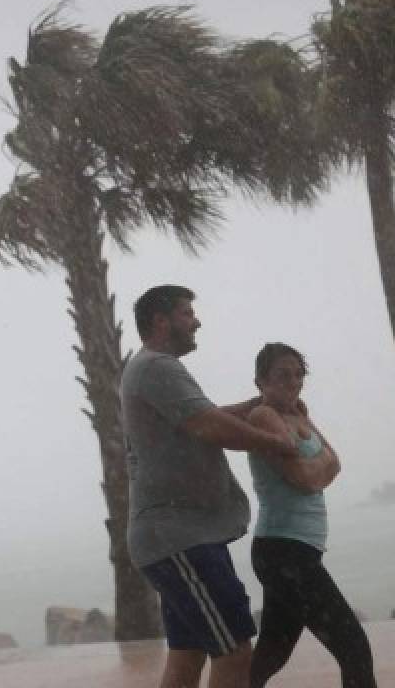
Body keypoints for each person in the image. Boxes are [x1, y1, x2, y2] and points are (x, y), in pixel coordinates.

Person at [121, 285, 297, 688]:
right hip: (180, 539)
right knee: (236, 654)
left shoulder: (149, 368)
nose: (196, 321)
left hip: (174, 539)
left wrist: (260, 404)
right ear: (161, 321)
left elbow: (206, 415)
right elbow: (210, 426)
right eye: (187, 314)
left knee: (188, 656)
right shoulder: (156, 366)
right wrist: (279, 444)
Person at [245, 342, 376, 688]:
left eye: (298, 375)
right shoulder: (263, 416)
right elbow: (304, 478)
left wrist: (314, 468)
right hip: (283, 550)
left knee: (272, 654)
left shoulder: (298, 416)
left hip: (297, 551)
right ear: (261, 381)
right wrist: (317, 470)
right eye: (281, 375)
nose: (292, 383)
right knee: (354, 649)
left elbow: (335, 463)